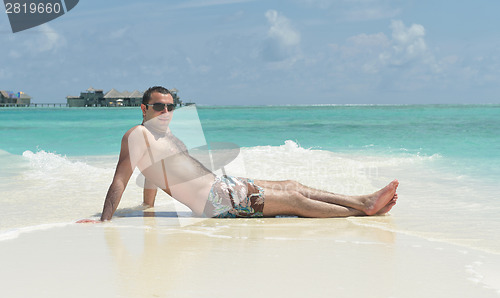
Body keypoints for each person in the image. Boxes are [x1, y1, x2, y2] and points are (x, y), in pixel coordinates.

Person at [78, 86, 398, 223]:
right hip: (216, 203)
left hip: (225, 186)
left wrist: (147, 206)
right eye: (158, 106)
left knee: (292, 184)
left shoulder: (164, 136)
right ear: (144, 108)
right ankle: (363, 210)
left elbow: (152, 174)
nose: (165, 110)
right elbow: (120, 179)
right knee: (295, 202)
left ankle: (360, 200)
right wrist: (105, 219)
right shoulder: (137, 134)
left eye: (170, 106)